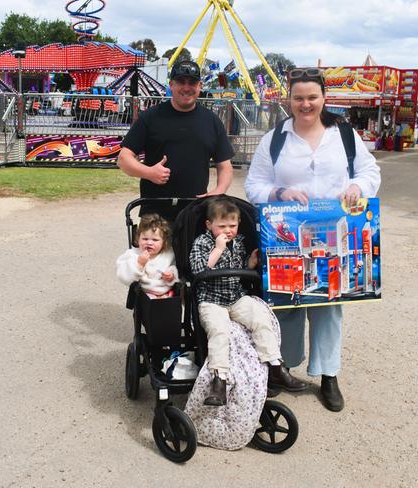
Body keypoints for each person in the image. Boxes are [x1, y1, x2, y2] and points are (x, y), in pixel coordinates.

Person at [244, 67, 381, 412]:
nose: (306, 104)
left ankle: (328, 374)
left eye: (312, 97)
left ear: (324, 98)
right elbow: (253, 185)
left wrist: (357, 187)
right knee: (287, 302)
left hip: (336, 233)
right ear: (289, 100)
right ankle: (284, 368)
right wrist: (279, 191)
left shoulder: (345, 135)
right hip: (287, 234)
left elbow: (369, 171)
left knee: (328, 306)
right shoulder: (275, 139)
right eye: (299, 98)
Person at [190, 197, 306, 406]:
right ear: (209, 225)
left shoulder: (240, 241)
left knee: (261, 317)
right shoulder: (203, 242)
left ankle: (275, 366)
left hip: (236, 296)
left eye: (232, 225)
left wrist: (249, 264)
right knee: (219, 331)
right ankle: (220, 380)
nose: (228, 230)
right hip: (211, 299)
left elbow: (239, 271)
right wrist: (218, 249)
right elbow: (199, 269)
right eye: (222, 226)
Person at [117, 60, 235, 221]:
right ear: (171, 85)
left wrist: (218, 191)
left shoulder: (212, 121)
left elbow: (225, 166)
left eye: (192, 82)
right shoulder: (150, 117)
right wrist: (149, 173)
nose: (186, 88)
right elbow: (123, 159)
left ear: (200, 86)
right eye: (180, 82)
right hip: (154, 213)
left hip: (195, 211)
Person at [116, 214, 178, 299]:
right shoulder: (133, 254)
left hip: (166, 292)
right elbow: (124, 277)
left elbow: (175, 267)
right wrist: (139, 264)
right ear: (138, 239)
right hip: (144, 294)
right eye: (145, 239)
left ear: (164, 242)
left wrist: (171, 276)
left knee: (176, 299)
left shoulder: (168, 255)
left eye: (155, 240)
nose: (149, 243)